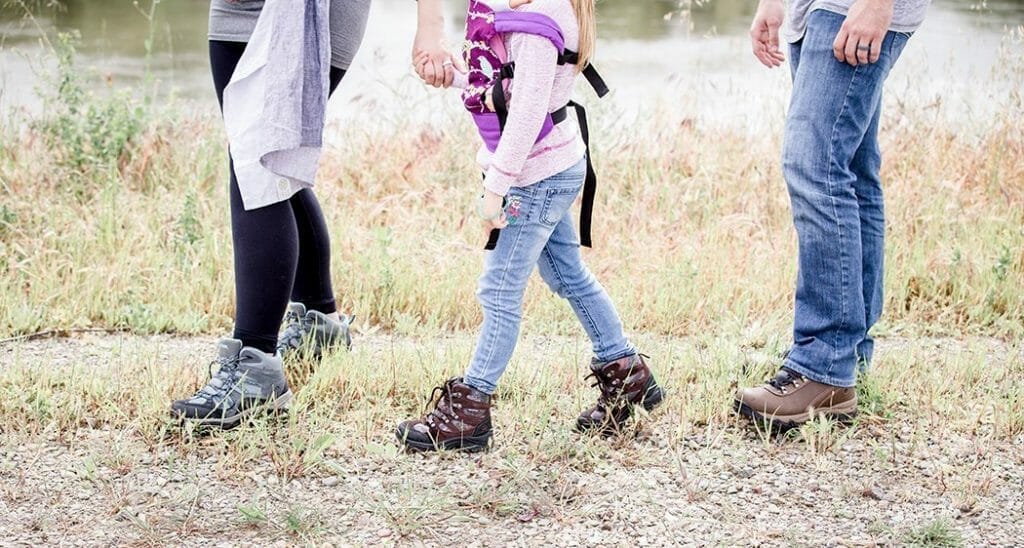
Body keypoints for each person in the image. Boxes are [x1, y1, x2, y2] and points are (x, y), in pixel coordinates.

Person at [396, 0, 664, 452]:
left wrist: (495, 188)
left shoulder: (539, 28)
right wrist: (454, 75)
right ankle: (627, 374)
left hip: (535, 176)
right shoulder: (528, 14)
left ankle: (470, 411)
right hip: (549, 165)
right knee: (567, 275)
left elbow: (525, 115)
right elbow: (504, 86)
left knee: (499, 289)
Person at [169, 0, 370, 429]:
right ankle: (320, 325)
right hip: (236, 11)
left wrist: (429, 26)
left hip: (304, 15)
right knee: (264, 161)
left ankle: (255, 368)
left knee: (256, 164)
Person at [735, 0, 929, 429]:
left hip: (852, 6)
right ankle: (847, 357)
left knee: (814, 164)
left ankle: (823, 364)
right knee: (852, 172)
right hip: (818, 9)